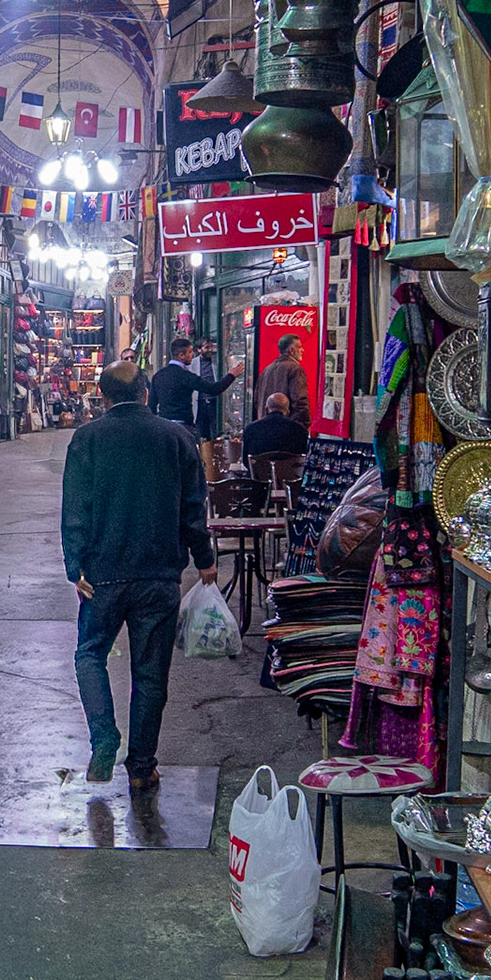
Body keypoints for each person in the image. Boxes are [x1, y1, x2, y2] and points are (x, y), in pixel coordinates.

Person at [62, 361, 217, 790]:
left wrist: (74, 564)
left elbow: (75, 507)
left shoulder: (86, 438)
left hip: (102, 574)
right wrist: (204, 558)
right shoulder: (177, 438)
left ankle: (104, 735)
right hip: (159, 574)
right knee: (150, 673)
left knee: (90, 654)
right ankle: (142, 766)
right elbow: (193, 508)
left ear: (103, 397)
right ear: (146, 394)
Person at [149, 337, 239, 437]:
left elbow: (151, 405)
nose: (193, 355)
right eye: (190, 352)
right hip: (183, 427)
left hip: (164, 426)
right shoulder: (185, 376)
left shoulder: (158, 376)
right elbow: (213, 389)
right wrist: (231, 375)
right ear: (181, 356)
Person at [257, 334, 312, 424]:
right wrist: (302, 426)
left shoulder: (267, 369)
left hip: (265, 426)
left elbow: (257, 400)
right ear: (291, 350)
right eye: (299, 347)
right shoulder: (295, 369)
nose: (302, 350)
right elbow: (300, 401)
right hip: (286, 427)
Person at [243, 392, 308, 458]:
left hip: (260, 468)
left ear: (266, 410)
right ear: (288, 412)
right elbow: (302, 460)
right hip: (289, 468)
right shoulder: (300, 430)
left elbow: (246, 460)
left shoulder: (250, 429)